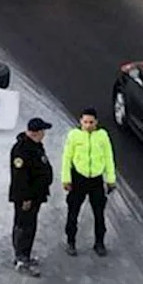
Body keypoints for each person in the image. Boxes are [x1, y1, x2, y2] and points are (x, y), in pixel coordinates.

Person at [61, 107, 116, 257]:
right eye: (85, 122)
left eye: (91, 122)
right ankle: (71, 241)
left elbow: (108, 158)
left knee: (99, 213)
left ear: (96, 122)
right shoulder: (74, 136)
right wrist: (66, 179)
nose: (88, 125)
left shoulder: (102, 136)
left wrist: (111, 179)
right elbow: (66, 158)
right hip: (78, 178)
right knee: (73, 212)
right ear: (81, 122)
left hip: (96, 180)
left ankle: (99, 242)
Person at [9, 117, 53, 276]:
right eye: (43, 131)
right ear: (37, 132)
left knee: (30, 226)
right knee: (23, 226)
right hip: (26, 198)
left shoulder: (34, 146)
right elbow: (20, 177)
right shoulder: (21, 150)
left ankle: (25, 255)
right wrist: (25, 198)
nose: (44, 134)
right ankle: (20, 259)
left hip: (35, 195)